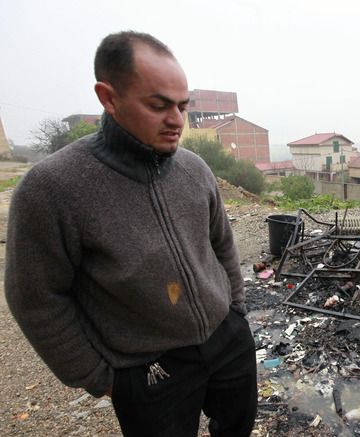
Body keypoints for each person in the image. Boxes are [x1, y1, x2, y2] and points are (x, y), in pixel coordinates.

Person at [5, 31, 257, 436]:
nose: (176, 120)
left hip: (227, 341)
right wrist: (98, 377)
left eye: (182, 106)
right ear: (108, 97)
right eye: (158, 105)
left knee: (237, 428)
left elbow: (221, 243)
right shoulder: (52, 188)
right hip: (148, 371)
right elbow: (35, 297)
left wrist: (236, 313)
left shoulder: (195, 169)